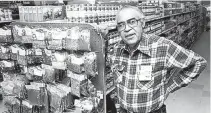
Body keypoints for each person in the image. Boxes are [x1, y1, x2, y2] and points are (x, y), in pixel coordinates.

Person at [106, 5, 207, 113]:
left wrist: (169, 86)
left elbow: (198, 62)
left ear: (143, 23)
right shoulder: (117, 49)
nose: (126, 29)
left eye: (132, 22)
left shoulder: (162, 46)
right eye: (121, 25)